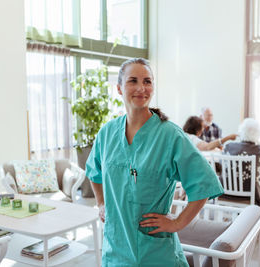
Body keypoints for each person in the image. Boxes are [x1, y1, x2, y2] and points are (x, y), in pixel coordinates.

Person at [85, 58, 224, 266]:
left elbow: (203, 184)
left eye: (147, 81)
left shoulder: (170, 135)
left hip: (156, 254)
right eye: (133, 81)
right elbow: (94, 172)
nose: (141, 88)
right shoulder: (107, 133)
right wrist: (101, 203)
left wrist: (177, 222)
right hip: (116, 251)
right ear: (119, 88)